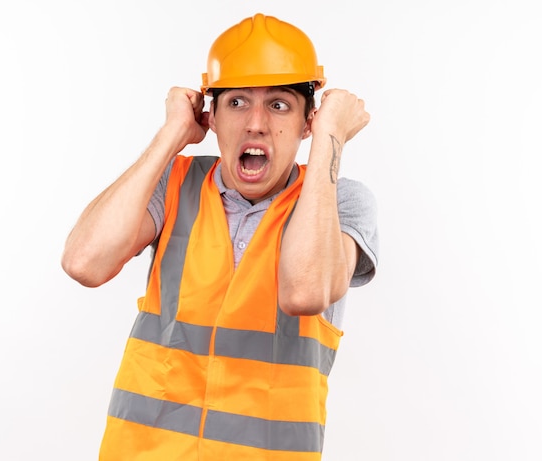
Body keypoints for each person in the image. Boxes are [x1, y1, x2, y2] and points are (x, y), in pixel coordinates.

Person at [62, 12, 379, 461]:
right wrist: (172, 134)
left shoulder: (337, 202)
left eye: (279, 105)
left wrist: (331, 139)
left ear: (308, 121)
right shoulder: (174, 182)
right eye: (236, 103)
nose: (255, 124)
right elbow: (84, 262)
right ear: (211, 117)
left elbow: (306, 292)